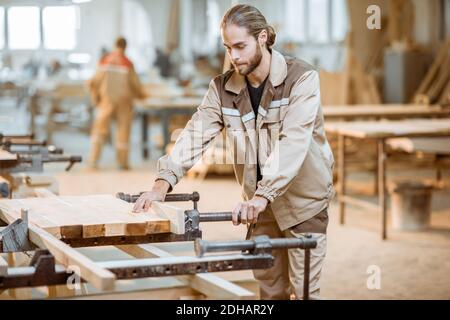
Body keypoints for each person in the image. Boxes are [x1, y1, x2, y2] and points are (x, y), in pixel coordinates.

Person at [132, 4, 334, 300]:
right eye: (228, 47)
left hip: (303, 203)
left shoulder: (301, 79)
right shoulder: (222, 88)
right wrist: (161, 184)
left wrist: (263, 195)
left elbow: (293, 142)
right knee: (270, 291)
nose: (234, 56)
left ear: (262, 37)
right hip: (259, 207)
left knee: (304, 293)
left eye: (240, 46)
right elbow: (195, 134)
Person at [87, 37, 147, 170]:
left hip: (106, 101)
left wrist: (96, 98)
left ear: (114, 45)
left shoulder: (104, 60)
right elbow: (135, 85)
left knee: (99, 131)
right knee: (123, 133)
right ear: (125, 47)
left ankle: (93, 161)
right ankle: (122, 163)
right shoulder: (127, 63)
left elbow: (94, 82)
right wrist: (143, 96)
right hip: (124, 102)